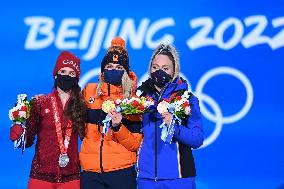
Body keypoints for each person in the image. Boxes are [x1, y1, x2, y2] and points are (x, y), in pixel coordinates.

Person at [10, 51, 87, 189]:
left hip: (71, 177)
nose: (66, 76)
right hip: (41, 176)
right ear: (55, 75)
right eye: (63, 71)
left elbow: (88, 137)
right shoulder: (40, 103)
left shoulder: (81, 106)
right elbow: (27, 141)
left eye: (71, 73)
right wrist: (18, 126)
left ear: (77, 78)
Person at [137, 44, 204, 189]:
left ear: (174, 70)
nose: (159, 72)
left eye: (165, 68)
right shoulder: (139, 100)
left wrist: (175, 127)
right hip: (147, 179)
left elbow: (197, 139)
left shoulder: (187, 100)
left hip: (179, 178)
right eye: (155, 67)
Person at [79, 37, 142, 189]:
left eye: (119, 67)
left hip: (121, 171)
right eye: (110, 66)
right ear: (103, 69)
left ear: (126, 72)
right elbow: (80, 128)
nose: (114, 70)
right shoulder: (89, 92)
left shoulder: (133, 102)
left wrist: (118, 127)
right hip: (90, 172)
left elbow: (134, 144)